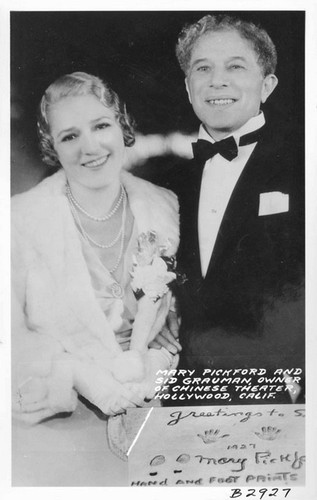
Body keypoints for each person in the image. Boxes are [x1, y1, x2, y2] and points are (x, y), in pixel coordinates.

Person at [11, 71, 181, 426]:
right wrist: (74, 375)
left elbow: (182, 307)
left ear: (122, 127)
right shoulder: (20, 220)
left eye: (101, 126)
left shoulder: (165, 206)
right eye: (70, 136)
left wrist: (172, 332)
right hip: (62, 418)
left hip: (154, 406)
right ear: (51, 146)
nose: (90, 147)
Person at [158, 14, 305, 404]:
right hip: (186, 396)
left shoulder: (304, 167)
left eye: (235, 66)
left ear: (267, 84)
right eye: (202, 68)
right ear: (188, 87)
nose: (217, 80)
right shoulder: (166, 183)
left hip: (284, 398)